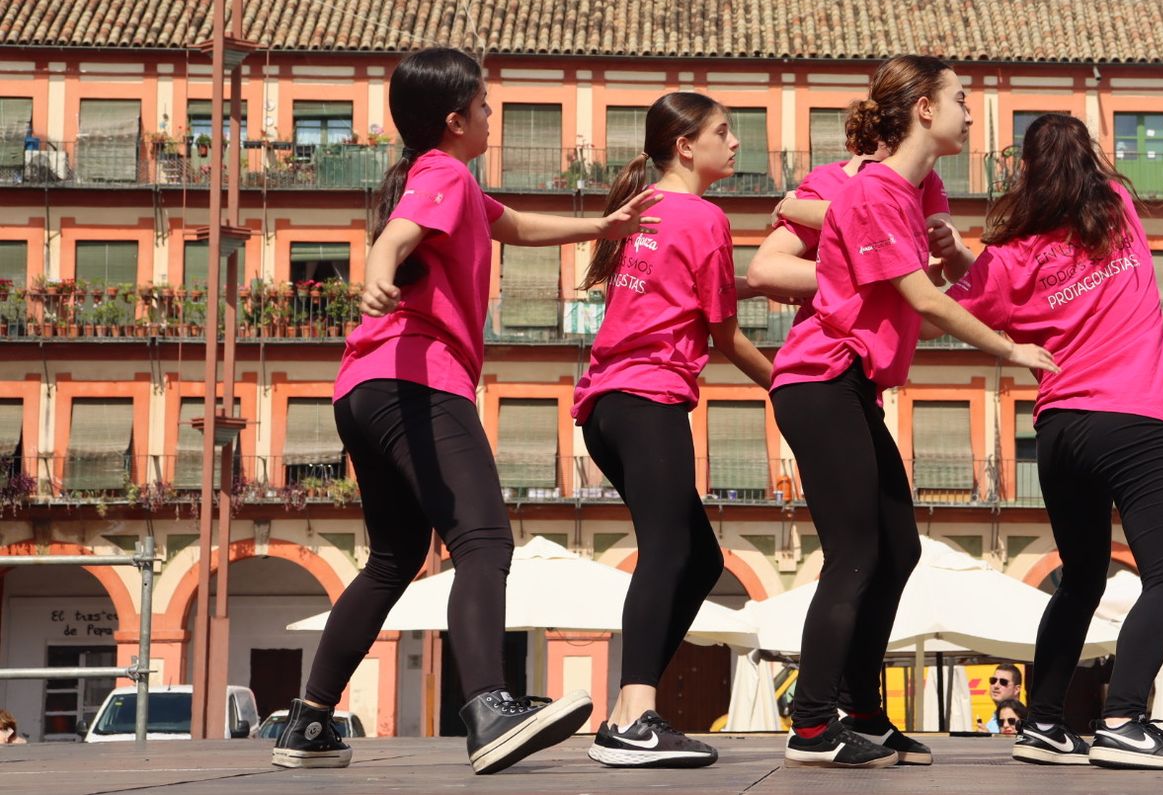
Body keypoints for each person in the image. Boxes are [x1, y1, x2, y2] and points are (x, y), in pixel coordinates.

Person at [273, 48, 659, 776]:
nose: (493, 115)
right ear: (454, 122)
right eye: (484, 105)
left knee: (391, 559)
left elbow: (511, 223)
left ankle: (309, 721)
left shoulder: (446, 181)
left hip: (362, 387)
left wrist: (601, 229)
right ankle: (488, 706)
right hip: (416, 381)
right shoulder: (445, 173)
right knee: (483, 541)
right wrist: (377, 278)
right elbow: (392, 241)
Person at [769, 55, 1059, 769]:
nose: (971, 110)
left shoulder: (910, 190)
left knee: (898, 547)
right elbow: (925, 300)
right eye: (961, 98)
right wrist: (1011, 348)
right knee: (856, 554)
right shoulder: (874, 192)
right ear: (924, 108)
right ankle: (811, 723)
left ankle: (861, 709)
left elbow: (931, 280)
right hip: (818, 379)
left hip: (850, 386)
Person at [946, 113, 1163, 771]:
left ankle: (1044, 722)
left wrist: (960, 256)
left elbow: (972, 302)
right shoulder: (1116, 210)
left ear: (1026, 173)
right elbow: (1086, 204)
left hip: (1059, 430)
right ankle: (1122, 719)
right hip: (1130, 421)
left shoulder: (1013, 255)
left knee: (1081, 579)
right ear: (1090, 159)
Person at [575, 92, 774, 769]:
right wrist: (786, 384)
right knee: (664, 552)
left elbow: (698, 292)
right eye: (724, 131)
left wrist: (763, 284)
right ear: (686, 146)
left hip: (608, 408)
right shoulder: (704, 215)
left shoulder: (646, 210)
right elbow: (723, 332)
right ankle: (635, 717)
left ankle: (627, 713)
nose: (736, 143)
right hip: (647, 398)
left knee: (703, 560)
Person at [749, 140, 973, 309]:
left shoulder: (926, 180)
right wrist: (876, 275)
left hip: (888, 350)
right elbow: (763, 270)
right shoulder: (827, 183)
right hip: (834, 348)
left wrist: (950, 252)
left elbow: (948, 271)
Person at [983, 664, 1025, 732]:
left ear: (1017, 689)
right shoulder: (990, 724)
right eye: (993, 680)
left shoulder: (1028, 722)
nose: (996, 685)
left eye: (1003, 682)